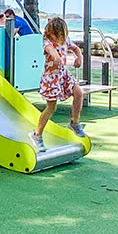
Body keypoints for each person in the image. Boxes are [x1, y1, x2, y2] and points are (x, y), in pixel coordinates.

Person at [29, 17, 86, 151]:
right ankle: (37, 134)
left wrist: (79, 58)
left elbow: (76, 49)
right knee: (51, 108)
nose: (58, 38)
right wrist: (56, 57)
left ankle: (75, 123)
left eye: (60, 36)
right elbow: (51, 51)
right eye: (55, 35)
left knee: (78, 93)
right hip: (51, 78)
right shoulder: (47, 42)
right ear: (49, 33)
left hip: (63, 75)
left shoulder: (65, 40)